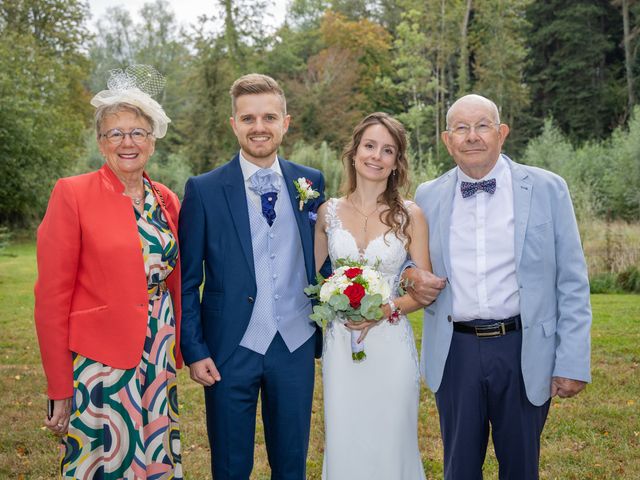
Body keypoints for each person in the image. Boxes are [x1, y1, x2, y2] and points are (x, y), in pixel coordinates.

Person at [407, 94, 592, 480]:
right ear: (447, 140)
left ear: (502, 133)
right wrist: (411, 276)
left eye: (482, 126)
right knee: (459, 467)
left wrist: (572, 360)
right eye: (461, 128)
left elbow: (572, 282)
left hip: (523, 348)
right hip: (455, 350)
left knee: (522, 467)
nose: (472, 136)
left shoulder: (548, 188)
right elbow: (409, 262)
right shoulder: (426, 196)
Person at [34, 65, 183, 478]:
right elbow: (50, 299)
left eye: (137, 132)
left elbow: (177, 278)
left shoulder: (166, 199)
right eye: (115, 133)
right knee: (105, 461)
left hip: (158, 351)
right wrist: (60, 386)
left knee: (151, 455)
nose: (127, 142)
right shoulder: (73, 193)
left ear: (153, 140)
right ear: (101, 143)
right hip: (98, 363)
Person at [179, 73, 325, 479]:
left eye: (268, 117)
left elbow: (323, 260)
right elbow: (187, 281)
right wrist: (195, 348)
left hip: (294, 345)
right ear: (234, 124)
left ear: (285, 122)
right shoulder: (204, 190)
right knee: (229, 464)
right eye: (248, 119)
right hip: (229, 348)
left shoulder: (310, 182)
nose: (258, 127)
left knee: (291, 462)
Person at [314, 112, 441, 479]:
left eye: (388, 150)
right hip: (341, 343)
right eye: (370, 146)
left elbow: (424, 289)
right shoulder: (327, 213)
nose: (377, 156)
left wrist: (386, 309)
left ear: (396, 162)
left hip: (391, 344)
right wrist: (332, 301)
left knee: (392, 436)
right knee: (344, 436)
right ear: (354, 152)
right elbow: (308, 280)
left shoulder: (411, 215)